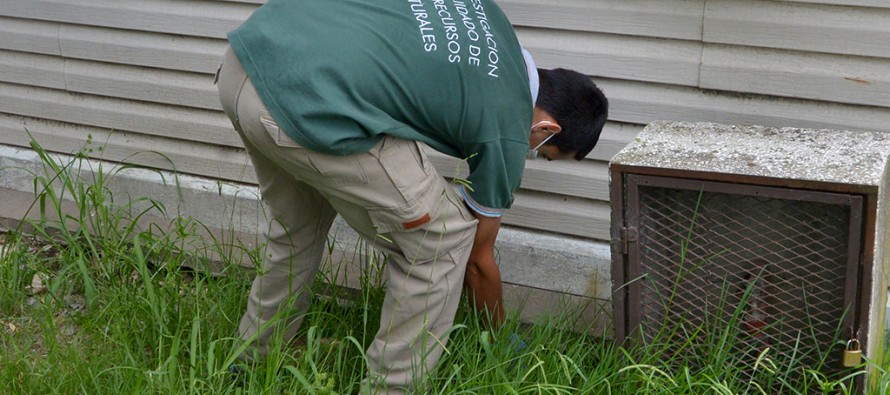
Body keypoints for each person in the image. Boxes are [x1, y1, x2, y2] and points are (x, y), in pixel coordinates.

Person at [216, 0, 608, 392]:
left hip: (248, 62)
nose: (533, 154)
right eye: (545, 154)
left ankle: (253, 361)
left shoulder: (491, 20)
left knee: (297, 224)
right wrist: (500, 339)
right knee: (445, 238)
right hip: (307, 101)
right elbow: (477, 260)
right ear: (547, 129)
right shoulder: (508, 123)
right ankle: (392, 387)